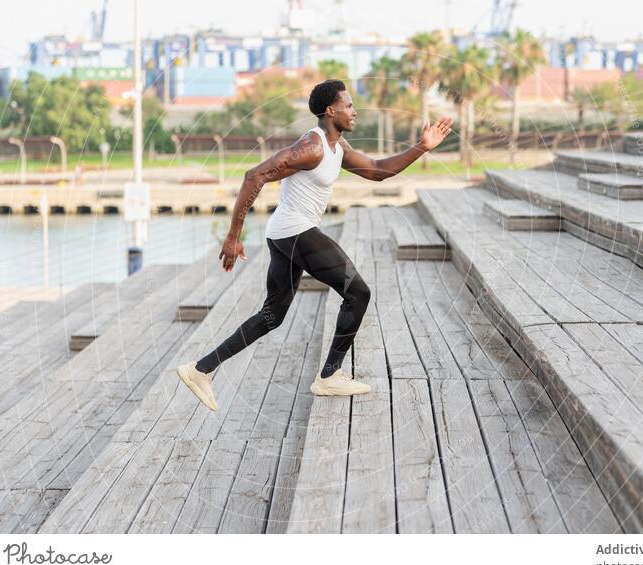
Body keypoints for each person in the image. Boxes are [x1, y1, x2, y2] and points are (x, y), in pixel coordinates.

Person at [177, 79, 452, 412]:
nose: (354, 111)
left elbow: (379, 170)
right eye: (349, 106)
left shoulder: (338, 149)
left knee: (271, 316)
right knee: (358, 292)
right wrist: (233, 235)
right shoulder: (313, 146)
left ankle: (200, 369)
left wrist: (422, 147)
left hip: (283, 233)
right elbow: (254, 175)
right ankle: (330, 375)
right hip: (296, 232)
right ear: (330, 110)